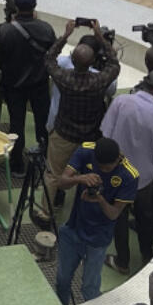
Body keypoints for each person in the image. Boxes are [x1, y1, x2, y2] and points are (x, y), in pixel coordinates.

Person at [101, 71, 153, 275]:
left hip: (117, 175)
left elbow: (106, 134)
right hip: (144, 177)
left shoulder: (121, 102)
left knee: (119, 218)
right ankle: (146, 253)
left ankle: (122, 261)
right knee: (145, 217)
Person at [53, 138, 139, 305]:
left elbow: (114, 214)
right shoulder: (86, 151)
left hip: (98, 239)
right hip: (73, 229)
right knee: (62, 280)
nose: (102, 170)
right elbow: (62, 182)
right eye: (99, 167)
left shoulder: (129, 175)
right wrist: (81, 179)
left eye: (107, 168)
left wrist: (99, 199)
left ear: (117, 160)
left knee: (89, 288)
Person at [42, 19, 120, 199]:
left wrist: (66, 35)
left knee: (53, 173)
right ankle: (87, 201)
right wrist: (100, 37)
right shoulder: (99, 80)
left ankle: (46, 212)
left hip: (63, 134)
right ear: (93, 60)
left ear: (72, 59)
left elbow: (49, 58)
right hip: (91, 136)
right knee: (92, 174)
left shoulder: (63, 77)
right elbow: (114, 64)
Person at [0, 0, 56, 176]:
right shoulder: (46, 28)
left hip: (14, 86)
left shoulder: (5, 30)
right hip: (39, 85)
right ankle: (44, 159)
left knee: (16, 124)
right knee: (42, 123)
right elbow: (52, 54)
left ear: (15, 6)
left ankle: (16, 164)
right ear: (35, 5)